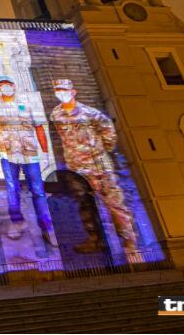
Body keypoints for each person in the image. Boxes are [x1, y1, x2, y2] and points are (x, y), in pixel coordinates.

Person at [49, 79, 137, 252]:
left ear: (73, 92)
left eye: (64, 90)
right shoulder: (56, 114)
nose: (61, 93)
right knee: (85, 205)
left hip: (98, 167)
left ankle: (130, 243)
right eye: (57, 90)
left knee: (114, 205)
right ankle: (95, 240)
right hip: (76, 169)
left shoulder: (90, 113)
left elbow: (108, 130)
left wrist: (102, 150)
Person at [0, 75, 57, 246]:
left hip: (29, 154)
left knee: (38, 191)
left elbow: (39, 128)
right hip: (7, 154)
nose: (5, 88)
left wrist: (45, 152)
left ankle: (47, 227)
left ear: (14, 86)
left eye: (8, 84)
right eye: (1, 85)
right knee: (12, 189)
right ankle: (17, 222)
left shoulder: (29, 105)